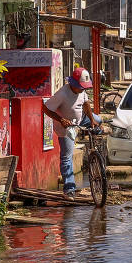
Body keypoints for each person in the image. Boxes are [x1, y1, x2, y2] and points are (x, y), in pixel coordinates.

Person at [42, 67, 102, 198]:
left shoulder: (82, 91)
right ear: (73, 84)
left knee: (99, 120)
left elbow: (86, 103)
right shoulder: (62, 94)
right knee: (66, 157)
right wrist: (62, 119)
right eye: (80, 87)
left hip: (80, 120)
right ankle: (69, 189)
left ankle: (92, 142)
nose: (82, 89)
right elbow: (45, 109)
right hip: (66, 126)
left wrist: (91, 120)